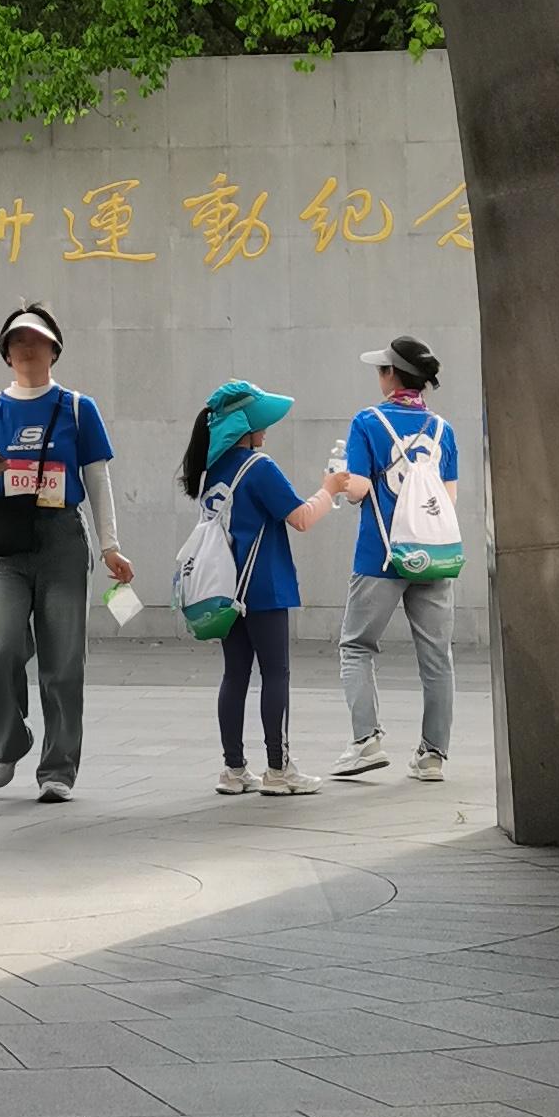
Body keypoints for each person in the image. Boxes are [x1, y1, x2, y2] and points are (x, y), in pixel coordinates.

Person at [0, 303, 129, 805]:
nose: (27, 347)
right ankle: (8, 742)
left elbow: (97, 479)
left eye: (36, 339)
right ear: (5, 353)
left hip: (62, 538)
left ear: (54, 349)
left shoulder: (78, 408)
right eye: (17, 340)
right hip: (4, 541)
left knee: (64, 660)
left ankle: (58, 769)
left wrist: (110, 546)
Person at [180, 379, 338, 798]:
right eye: (261, 423)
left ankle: (233, 769)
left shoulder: (213, 472)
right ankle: (278, 769)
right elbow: (301, 518)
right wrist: (330, 489)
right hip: (264, 588)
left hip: (224, 590)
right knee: (275, 673)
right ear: (245, 427)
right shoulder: (259, 467)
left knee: (235, 675)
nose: (266, 430)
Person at [331, 333, 464, 785]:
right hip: (434, 555)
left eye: (381, 369)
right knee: (437, 657)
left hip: (381, 556)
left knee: (356, 646)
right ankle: (433, 756)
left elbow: (358, 491)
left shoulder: (367, 421)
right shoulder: (444, 430)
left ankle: (366, 741)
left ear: (392, 375)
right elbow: (448, 499)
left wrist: (337, 479)